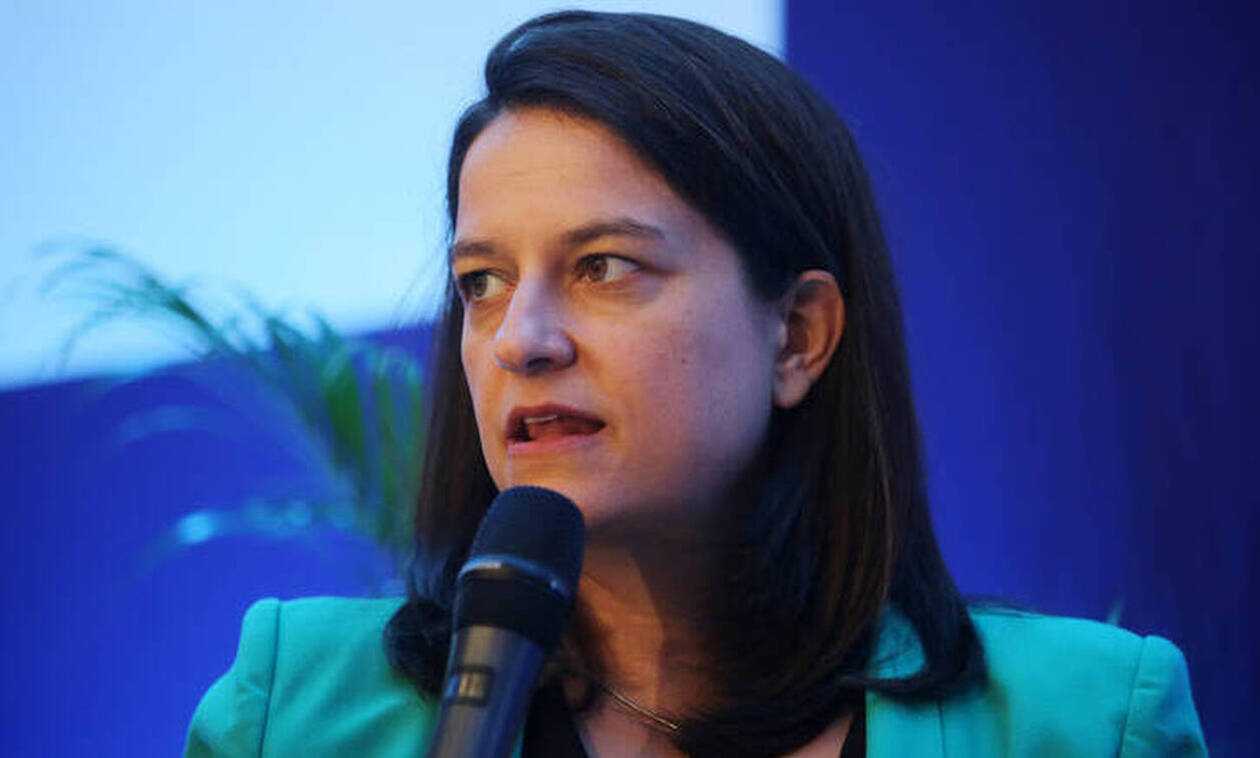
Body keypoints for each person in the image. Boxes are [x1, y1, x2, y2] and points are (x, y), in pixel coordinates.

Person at [184, 11, 1207, 757]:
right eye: (482, 282)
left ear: (798, 335)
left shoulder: (1084, 722)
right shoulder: (296, 713)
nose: (520, 340)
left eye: (603, 267)